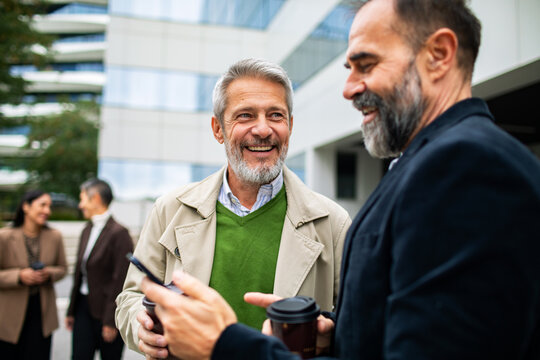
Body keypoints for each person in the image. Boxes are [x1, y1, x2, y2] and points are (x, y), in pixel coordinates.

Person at [138, 0, 540, 359]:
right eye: (349, 69)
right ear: (218, 129)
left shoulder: (466, 168)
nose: (348, 89)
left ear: (439, 54)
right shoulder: (430, 161)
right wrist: (335, 334)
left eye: (366, 64)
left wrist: (224, 345)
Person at [115, 58, 351, 358]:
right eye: (245, 116)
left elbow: (359, 323)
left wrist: (331, 335)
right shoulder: (170, 209)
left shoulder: (333, 223)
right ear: (218, 129)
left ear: (290, 126)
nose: (263, 129)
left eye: (276, 115)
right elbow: (131, 297)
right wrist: (141, 328)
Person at [65, 178, 133, 360]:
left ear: (95, 198)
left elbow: (121, 280)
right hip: (83, 308)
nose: (80, 205)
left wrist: (110, 321)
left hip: (107, 312)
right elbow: (80, 272)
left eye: (82, 199)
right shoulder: (87, 229)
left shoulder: (120, 233)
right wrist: (71, 310)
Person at [0, 190, 68, 360]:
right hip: (9, 315)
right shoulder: (4, 237)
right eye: (42, 205)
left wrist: (48, 273)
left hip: (42, 313)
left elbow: (63, 268)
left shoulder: (54, 236)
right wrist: (19, 276)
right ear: (26, 206)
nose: (47, 211)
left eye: (49, 206)